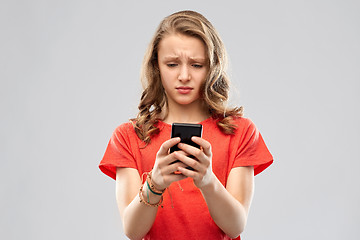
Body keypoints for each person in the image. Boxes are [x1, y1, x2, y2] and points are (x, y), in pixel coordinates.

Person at [99, 10, 273, 240]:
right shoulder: (129, 136)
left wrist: (208, 181)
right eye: (172, 64)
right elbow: (132, 230)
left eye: (196, 65)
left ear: (212, 67)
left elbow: (236, 225)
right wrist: (155, 183)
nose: (183, 76)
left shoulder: (240, 132)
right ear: (156, 66)